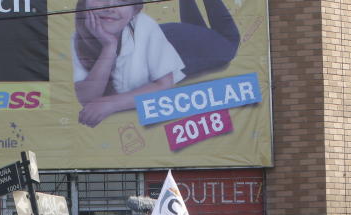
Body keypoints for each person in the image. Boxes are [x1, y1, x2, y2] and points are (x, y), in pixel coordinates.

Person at [73, 0, 239, 127]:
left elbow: (163, 85)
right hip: (175, 38)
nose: (109, 5)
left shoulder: (141, 29)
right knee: (202, 35)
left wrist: (111, 104)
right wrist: (109, 47)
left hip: (177, 40)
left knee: (230, 44)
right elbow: (87, 98)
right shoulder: (83, 38)